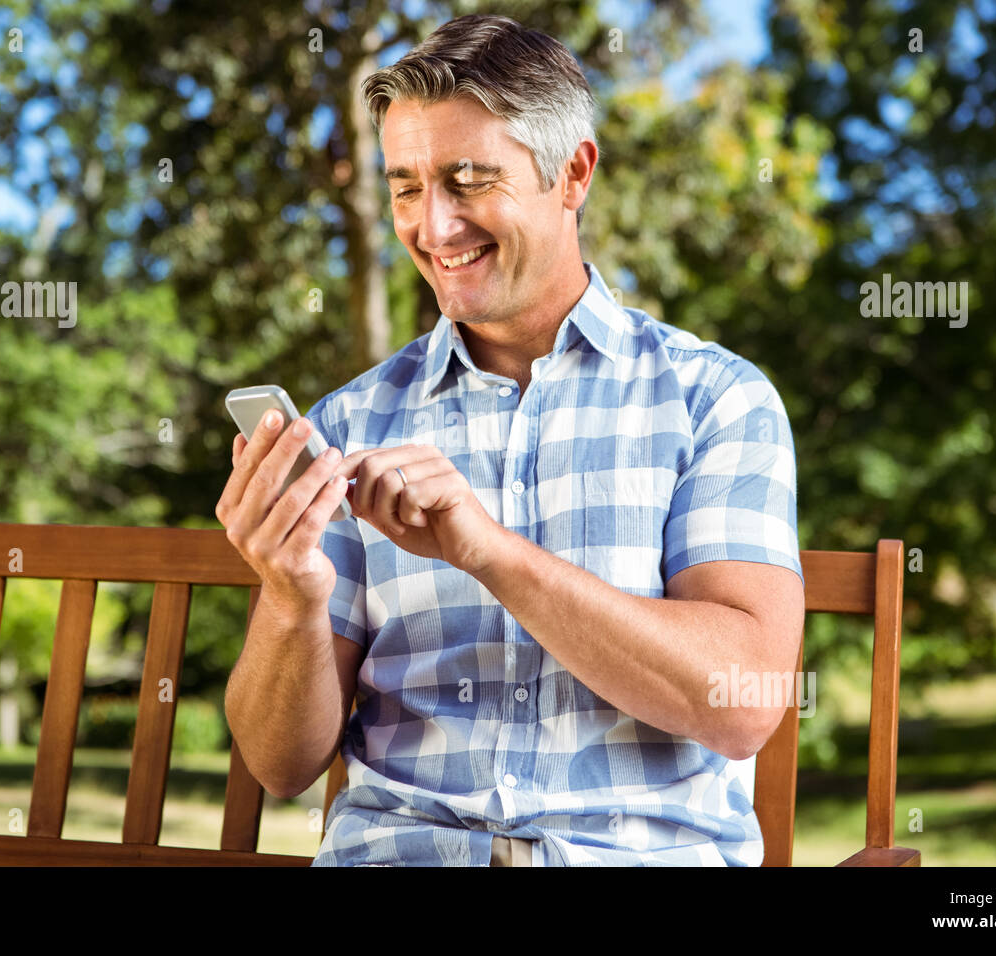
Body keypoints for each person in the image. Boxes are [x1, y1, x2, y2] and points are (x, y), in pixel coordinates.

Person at [218, 13, 805, 866]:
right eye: (407, 186)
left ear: (574, 173)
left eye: (468, 179)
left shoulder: (714, 399)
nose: (435, 226)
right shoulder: (349, 424)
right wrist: (290, 598)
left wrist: (489, 553)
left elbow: (743, 703)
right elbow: (279, 765)